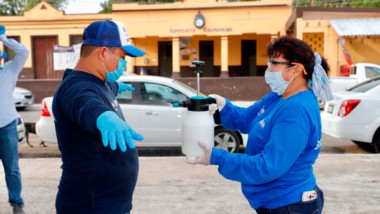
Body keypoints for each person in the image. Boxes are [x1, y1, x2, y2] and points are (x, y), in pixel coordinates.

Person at [188, 36, 333, 214]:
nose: (268, 68)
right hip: (273, 201)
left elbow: (268, 166)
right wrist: (224, 107)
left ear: (296, 69)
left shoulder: (296, 110)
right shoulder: (278, 96)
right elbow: (248, 118)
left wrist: (218, 158)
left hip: (289, 205)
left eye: (274, 63)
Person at [53, 20, 145, 214]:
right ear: (102, 53)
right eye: (122, 56)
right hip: (89, 206)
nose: (124, 63)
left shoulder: (100, 81)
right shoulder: (75, 88)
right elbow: (86, 103)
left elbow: (104, 89)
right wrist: (104, 117)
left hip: (110, 204)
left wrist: (118, 88)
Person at [0, 25, 29, 214]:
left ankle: (17, 202)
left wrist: (3, 37)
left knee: (11, 168)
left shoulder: (9, 70)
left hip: (7, 125)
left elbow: (23, 51)